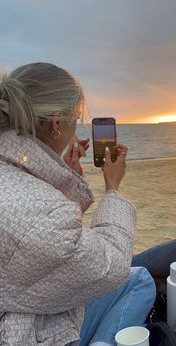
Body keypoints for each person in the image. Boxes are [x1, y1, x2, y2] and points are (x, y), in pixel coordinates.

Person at [0, 62, 156, 346]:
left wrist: (64, 176)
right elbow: (112, 264)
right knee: (137, 279)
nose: (76, 128)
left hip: (23, 300)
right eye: (76, 118)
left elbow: (44, 244)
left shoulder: (12, 175)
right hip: (30, 331)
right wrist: (112, 188)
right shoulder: (41, 212)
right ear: (57, 124)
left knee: (140, 278)